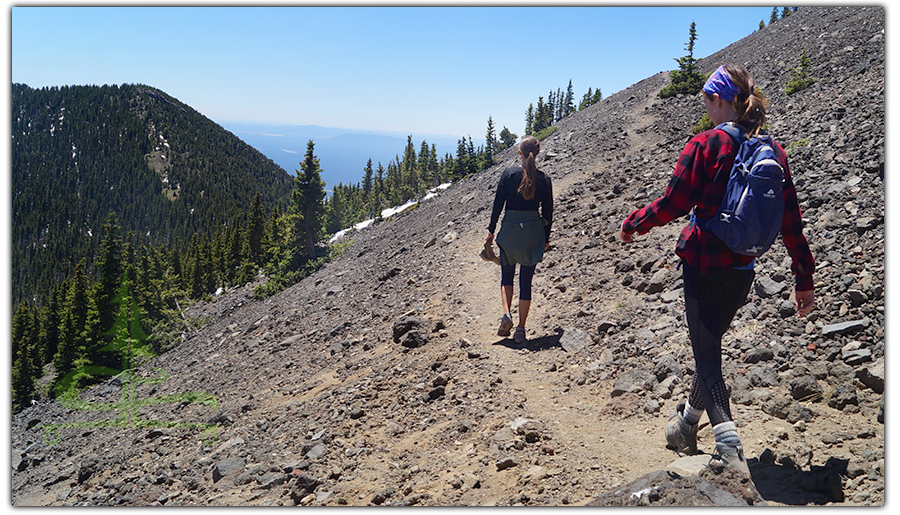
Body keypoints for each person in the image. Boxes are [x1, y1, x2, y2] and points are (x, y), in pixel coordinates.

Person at [619, 64, 815, 476]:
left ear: (721, 100)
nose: (705, 107)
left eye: (708, 99)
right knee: (708, 347)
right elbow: (791, 220)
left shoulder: (705, 145)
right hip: (743, 266)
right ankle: (686, 425)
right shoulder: (773, 151)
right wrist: (803, 278)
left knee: (708, 358)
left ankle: (728, 444)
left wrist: (634, 222)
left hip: (703, 262)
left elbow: (673, 204)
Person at [486, 135, 553, 344]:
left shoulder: (509, 174)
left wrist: (491, 231)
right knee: (526, 281)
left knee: (507, 276)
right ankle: (521, 329)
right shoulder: (544, 179)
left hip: (510, 232)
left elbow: (498, 205)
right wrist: (545, 239)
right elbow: (548, 213)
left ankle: (506, 314)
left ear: (520, 154)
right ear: (538, 153)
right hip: (533, 233)